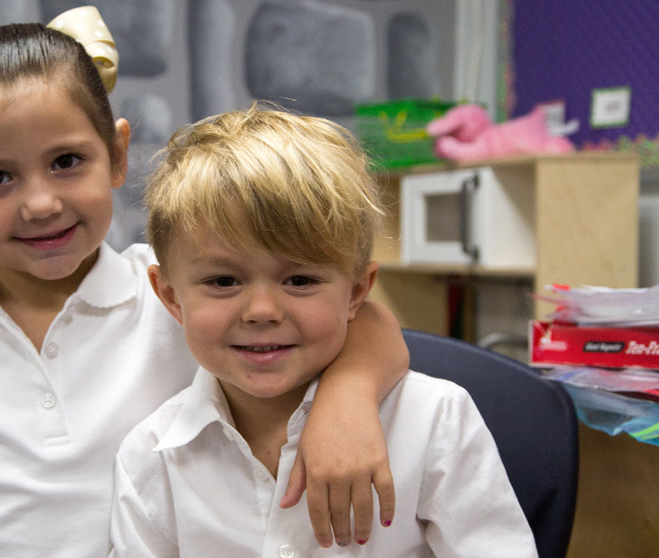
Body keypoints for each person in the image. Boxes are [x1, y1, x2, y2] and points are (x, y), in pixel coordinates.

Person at [0, 8, 408, 558]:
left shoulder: (178, 291)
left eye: (67, 162)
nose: (41, 203)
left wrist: (348, 398)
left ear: (118, 155)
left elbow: (367, 317)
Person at [109, 105, 539, 557]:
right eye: (223, 282)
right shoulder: (150, 459)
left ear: (356, 292)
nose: (261, 311)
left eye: (300, 281)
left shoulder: (434, 421)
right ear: (172, 297)